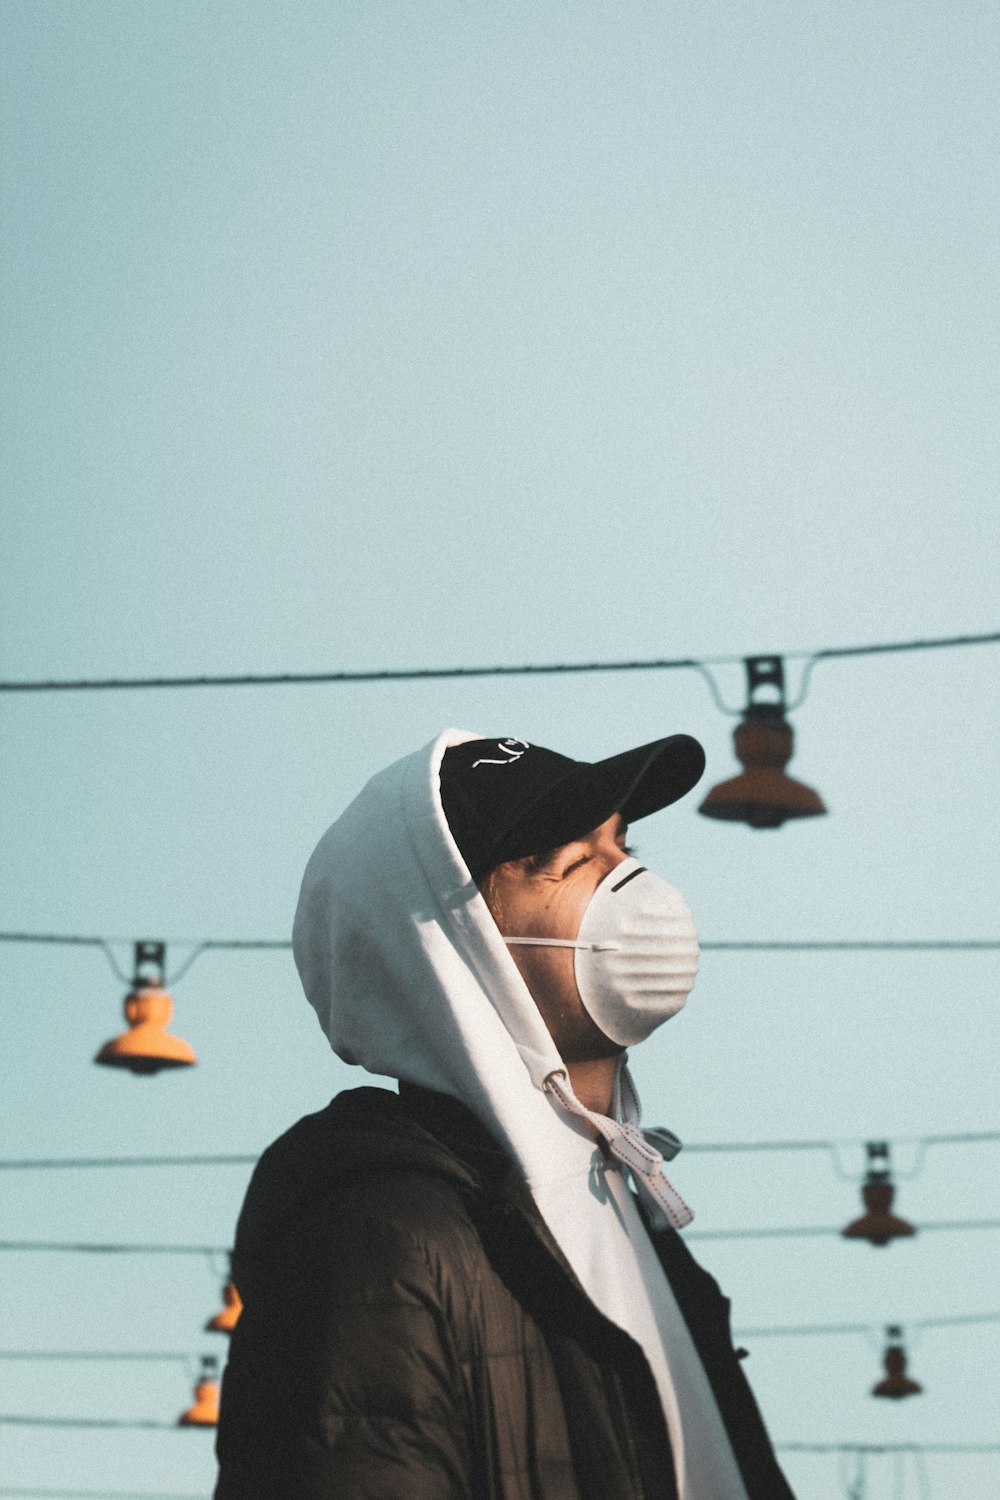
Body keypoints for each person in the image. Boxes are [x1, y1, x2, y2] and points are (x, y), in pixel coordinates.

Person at [214, 729, 796, 1500]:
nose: (634, 881)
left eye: (622, 843)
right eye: (576, 863)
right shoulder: (377, 1241)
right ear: (456, 948)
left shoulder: (637, 1223)